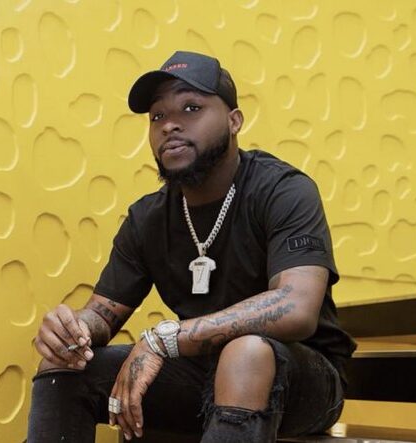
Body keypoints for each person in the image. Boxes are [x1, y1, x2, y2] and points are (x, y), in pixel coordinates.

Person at [27, 51, 356, 443]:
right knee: (62, 368)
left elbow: (296, 307)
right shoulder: (148, 218)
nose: (170, 125)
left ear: (234, 121)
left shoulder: (283, 190)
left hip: (302, 376)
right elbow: (102, 314)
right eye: (157, 116)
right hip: (200, 372)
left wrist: (165, 340)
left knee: (245, 353)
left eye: (191, 108)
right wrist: (72, 331)